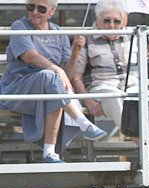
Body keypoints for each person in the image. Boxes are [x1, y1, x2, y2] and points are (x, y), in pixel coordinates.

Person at [0, 0, 108, 163]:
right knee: (50, 78)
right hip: (18, 88)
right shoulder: (19, 26)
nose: (35, 11)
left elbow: (69, 75)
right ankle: (82, 122)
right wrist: (56, 69)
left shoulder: (58, 32)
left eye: (41, 9)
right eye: (31, 7)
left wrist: (75, 52)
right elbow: (30, 56)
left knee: (52, 85)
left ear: (52, 11)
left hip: (49, 90)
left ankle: (50, 153)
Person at [71, 0, 149, 160]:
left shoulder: (132, 34)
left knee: (145, 96)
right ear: (97, 20)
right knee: (118, 98)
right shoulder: (86, 39)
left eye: (116, 21)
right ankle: (147, 148)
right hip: (101, 89)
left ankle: (148, 144)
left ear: (123, 21)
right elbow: (75, 76)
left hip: (132, 86)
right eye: (107, 21)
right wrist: (87, 100)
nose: (112, 25)